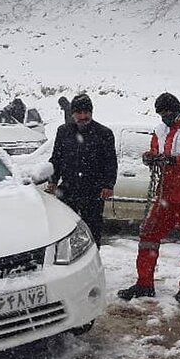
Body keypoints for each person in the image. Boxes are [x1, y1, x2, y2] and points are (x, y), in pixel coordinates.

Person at [118, 92, 180, 305]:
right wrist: (150, 157)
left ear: (176, 109)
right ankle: (145, 283)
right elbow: (155, 148)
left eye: (167, 113)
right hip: (166, 197)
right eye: (161, 114)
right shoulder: (160, 131)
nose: (164, 118)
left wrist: (175, 160)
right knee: (148, 235)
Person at [46, 94, 117, 246]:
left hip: (93, 191)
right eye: (79, 113)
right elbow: (56, 158)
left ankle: (92, 259)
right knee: (64, 228)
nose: (84, 116)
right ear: (73, 114)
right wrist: (52, 180)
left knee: (93, 229)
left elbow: (110, 162)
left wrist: (108, 184)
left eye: (87, 112)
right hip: (67, 189)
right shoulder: (63, 131)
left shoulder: (104, 133)